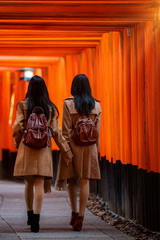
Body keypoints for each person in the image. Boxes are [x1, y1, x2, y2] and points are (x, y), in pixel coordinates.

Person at [12, 75, 73, 233]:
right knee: (39, 184)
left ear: (29, 88)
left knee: (28, 184)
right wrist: (66, 151)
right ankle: (36, 221)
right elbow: (58, 133)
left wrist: (17, 143)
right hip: (43, 149)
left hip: (27, 147)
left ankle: (29, 214)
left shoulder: (23, 105)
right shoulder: (50, 108)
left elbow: (16, 127)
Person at [56, 74, 102, 231]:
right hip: (89, 148)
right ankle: (82, 216)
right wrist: (96, 151)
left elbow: (66, 129)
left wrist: (66, 150)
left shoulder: (69, 104)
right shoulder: (96, 106)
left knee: (72, 180)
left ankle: (74, 212)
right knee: (85, 181)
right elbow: (97, 133)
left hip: (73, 146)